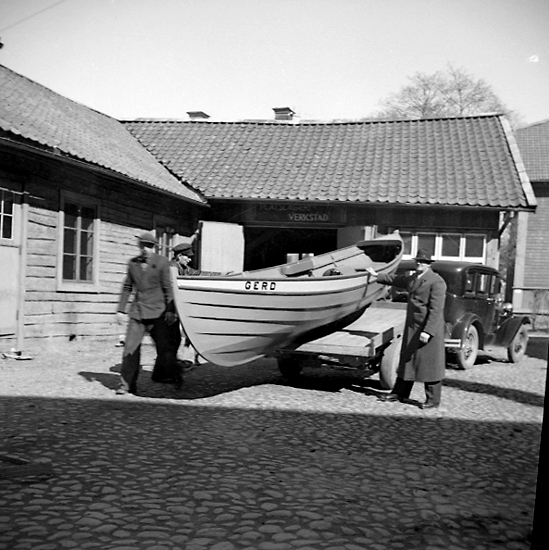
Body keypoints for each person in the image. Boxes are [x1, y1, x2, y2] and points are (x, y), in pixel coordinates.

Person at [366, 249, 447, 409]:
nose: (420, 264)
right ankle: (400, 393)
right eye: (418, 261)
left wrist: (428, 331)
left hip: (428, 329)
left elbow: (436, 310)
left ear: (429, 265)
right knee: (407, 360)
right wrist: (377, 275)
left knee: (430, 364)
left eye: (423, 262)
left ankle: (432, 401)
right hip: (412, 327)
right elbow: (397, 279)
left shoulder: (437, 282)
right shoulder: (414, 278)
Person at [115, 232, 182, 395]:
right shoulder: (132, 264)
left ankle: (173, 377)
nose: (146, 249)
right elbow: (127, 287)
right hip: (137, 313)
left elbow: (169, 288)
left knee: (166, 349)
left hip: (158, 314)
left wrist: (170, 310)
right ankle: (127, 385)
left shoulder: (162, 263)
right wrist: (120, 310)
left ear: (155, 247)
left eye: (150, 246)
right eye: (144, 245)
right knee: (130, 349)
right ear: (139, 246)